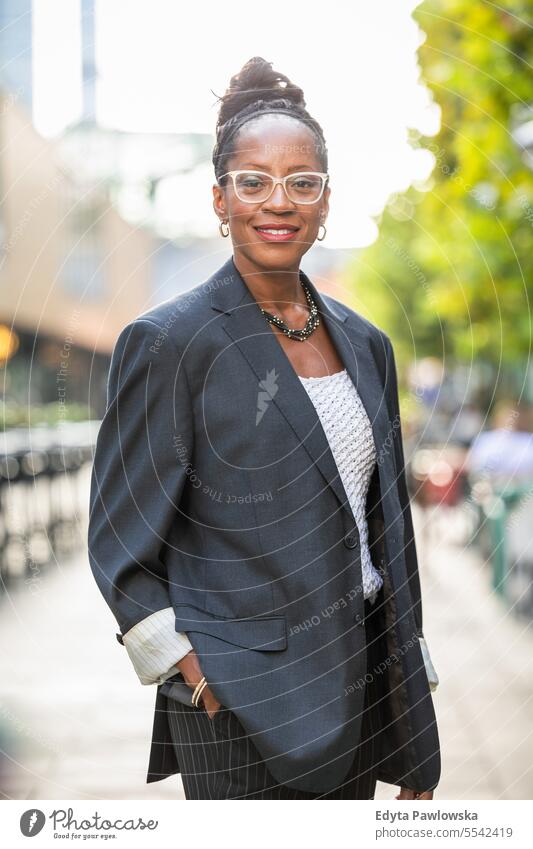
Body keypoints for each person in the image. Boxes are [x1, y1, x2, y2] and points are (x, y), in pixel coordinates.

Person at [88, 56, 440, 800]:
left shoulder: (367, 343)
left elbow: (385, 531)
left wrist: (411, 704)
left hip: (363, 680)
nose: (277, 201)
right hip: (237, 699)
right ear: (220, 200)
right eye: (253, 181)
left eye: (300, 182)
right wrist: (196, 673)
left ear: (324, 201)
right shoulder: (169, 341)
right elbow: (120, 542)